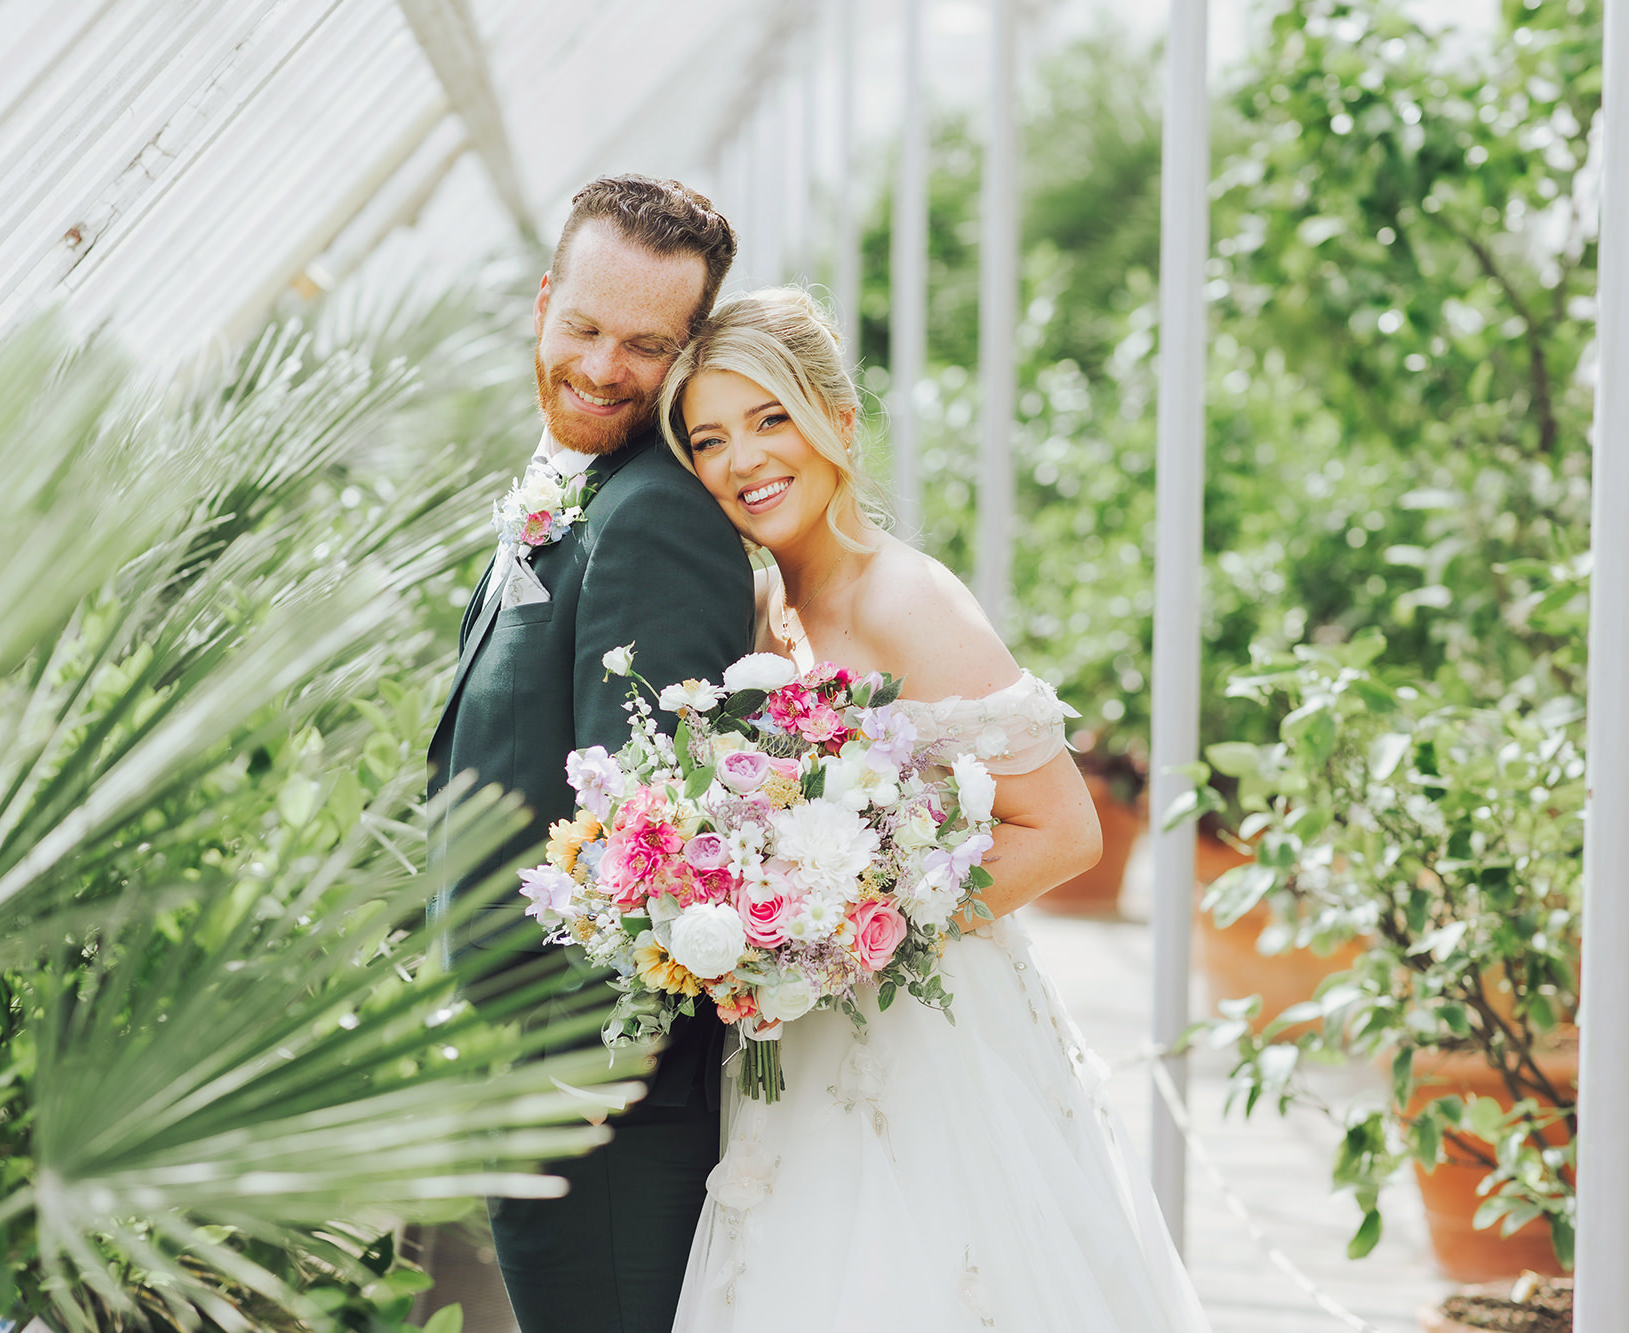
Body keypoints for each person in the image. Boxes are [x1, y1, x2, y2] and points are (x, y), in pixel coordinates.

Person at [657, 288, 1214, 1332]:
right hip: (792, 1054)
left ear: (838, 418)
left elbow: (1062, 830)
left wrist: (852, 937)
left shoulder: (905, 597)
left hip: (926, 1046)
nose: (743, 459)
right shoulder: (762, 609)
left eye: (770, 417)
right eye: (710, 438)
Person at [425, 176, 754, 1333]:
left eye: (646, 344)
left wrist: (575, 1088)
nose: (605, 367)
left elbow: (659, 853)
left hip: (596, 1114)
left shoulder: (655, 518)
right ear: (541, 304)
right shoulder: (577, 486)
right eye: (584, 328)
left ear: (692, 347)